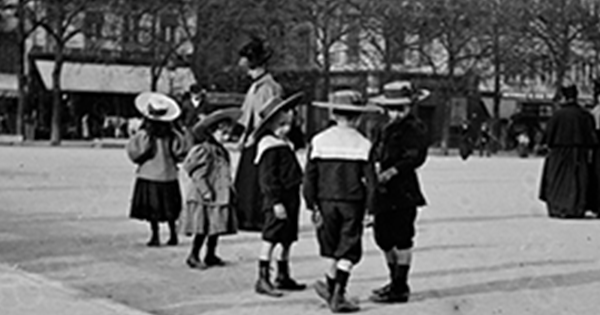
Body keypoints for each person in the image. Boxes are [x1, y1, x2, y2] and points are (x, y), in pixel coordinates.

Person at [304, 90, 379, 313]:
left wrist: (311, 204)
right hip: (352, 202)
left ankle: (331, 287)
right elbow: (372, 182)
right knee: (349, 248)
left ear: (334, 115)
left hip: (325, 201)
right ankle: (338, 293)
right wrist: (370, 209)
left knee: (330, 246)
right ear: (358, 117)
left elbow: (309, 177)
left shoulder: (318, 141)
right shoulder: (364, 144)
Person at [368, 81, 430, 303]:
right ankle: (394, 279)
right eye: (391, 108)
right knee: (382, 237)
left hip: (403, 189)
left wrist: (394, 170)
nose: (395, 113)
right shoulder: (380, 128)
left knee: (402, 236)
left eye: (400, 108)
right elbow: (373, 151)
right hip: (382, 190)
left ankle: (400, 285)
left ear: (408, 107)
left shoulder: (415, 128)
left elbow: (416, 156)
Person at [251, 93, 305, 297]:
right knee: (271, 236)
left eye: (288, 124)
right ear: (270, 126)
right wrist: (275, 201)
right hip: (278, 199)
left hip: (290, 196)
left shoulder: (284, 143)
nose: (286, 129)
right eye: (281, 125)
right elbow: (267, 179)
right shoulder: (268, 147)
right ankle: (263, 277)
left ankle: (283, 274)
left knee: (287, 237)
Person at [180, 108, 241, 269]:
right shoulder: (205, 150)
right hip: (205, 195)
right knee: (202, 228)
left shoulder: (221, 151)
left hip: (218, 194)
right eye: (222, 133)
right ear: (211, 132)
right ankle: (193, 255)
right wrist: (205, 191)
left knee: (215, 227)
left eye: (227, 134)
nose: (226, 137)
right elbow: (197, 173)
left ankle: (210, 254)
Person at [234, 37, 283, 231]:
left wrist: (253, 136)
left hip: (263, 137)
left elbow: (267, 116)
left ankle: (256, 218)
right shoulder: (256, 86)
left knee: (259, 178)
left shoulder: (268, 87)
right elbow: (246, 115)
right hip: (253, 137)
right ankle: (247, 217)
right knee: (249, 178)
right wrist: (243, 136)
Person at [126, 92, 187, 246]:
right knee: (170, 208)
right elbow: (180, 153)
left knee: (152, 208)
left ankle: (155, 236)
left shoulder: (144, 135)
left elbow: (134, 153)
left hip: (149, 174)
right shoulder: (173, 135)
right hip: (169, 175)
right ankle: (173, 234)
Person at [539, 85, 598, 219]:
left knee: (558, 179)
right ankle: (576, 207)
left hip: (559, 152)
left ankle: (558, 207)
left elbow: (548, 136)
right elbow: (591, 137)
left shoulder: (557, 115)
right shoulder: (585, 115)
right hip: (579, 153)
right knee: (578, 180)